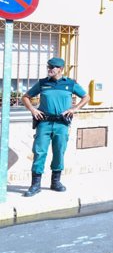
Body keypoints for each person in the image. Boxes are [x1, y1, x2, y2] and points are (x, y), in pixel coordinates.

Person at [21, 57, 90, 197]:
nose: (49, 69)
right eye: (48, 67)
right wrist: (33, 110)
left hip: (61, 124)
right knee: (40, 152)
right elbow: (25, 97)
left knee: (59, 152)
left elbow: (86, 97)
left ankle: (55, 182)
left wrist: (74, 109)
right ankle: (35, 185)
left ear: (60, 69)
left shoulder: (70, 84)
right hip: (44, 123)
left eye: (52, 67)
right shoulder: (42, 83)